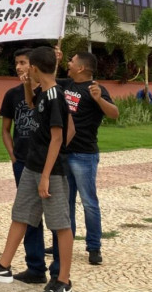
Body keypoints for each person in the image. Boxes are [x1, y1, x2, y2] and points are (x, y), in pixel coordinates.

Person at [0, 46, 75, 292]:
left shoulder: (55, 96)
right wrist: (28, 85)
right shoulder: (43, 93)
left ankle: (63, 281)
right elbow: (30, 103)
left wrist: (46, 176)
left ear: (35, 68)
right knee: (21, 215)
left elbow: (59, 137)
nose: (24, 70)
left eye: (28, 67)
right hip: (31, 166)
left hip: (51, 171)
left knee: (60, 224)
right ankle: (3, 266)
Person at [49, 50, 118, 268]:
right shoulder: (66, 84)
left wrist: (99, 99)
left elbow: (114, 113)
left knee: (89, 202)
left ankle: (94, 246)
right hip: (64, 152)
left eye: (71, 61)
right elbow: (47, 80)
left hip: (84, 155)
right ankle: (63, 243)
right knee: (65, 202)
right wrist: (55, 60)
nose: (68, 64)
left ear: (81, 68)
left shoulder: (96, 89)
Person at [0, 48, 48, 283]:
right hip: (22, 162)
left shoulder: (49, 93)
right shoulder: (12, 95)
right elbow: (5, 129)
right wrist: (12, 155)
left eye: (23, 62)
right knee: (29, 215)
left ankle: (59, 270)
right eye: (16, 62)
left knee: (56, 215)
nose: (19, 67)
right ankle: (35, 266)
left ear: (34, 65)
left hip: (46, 163)